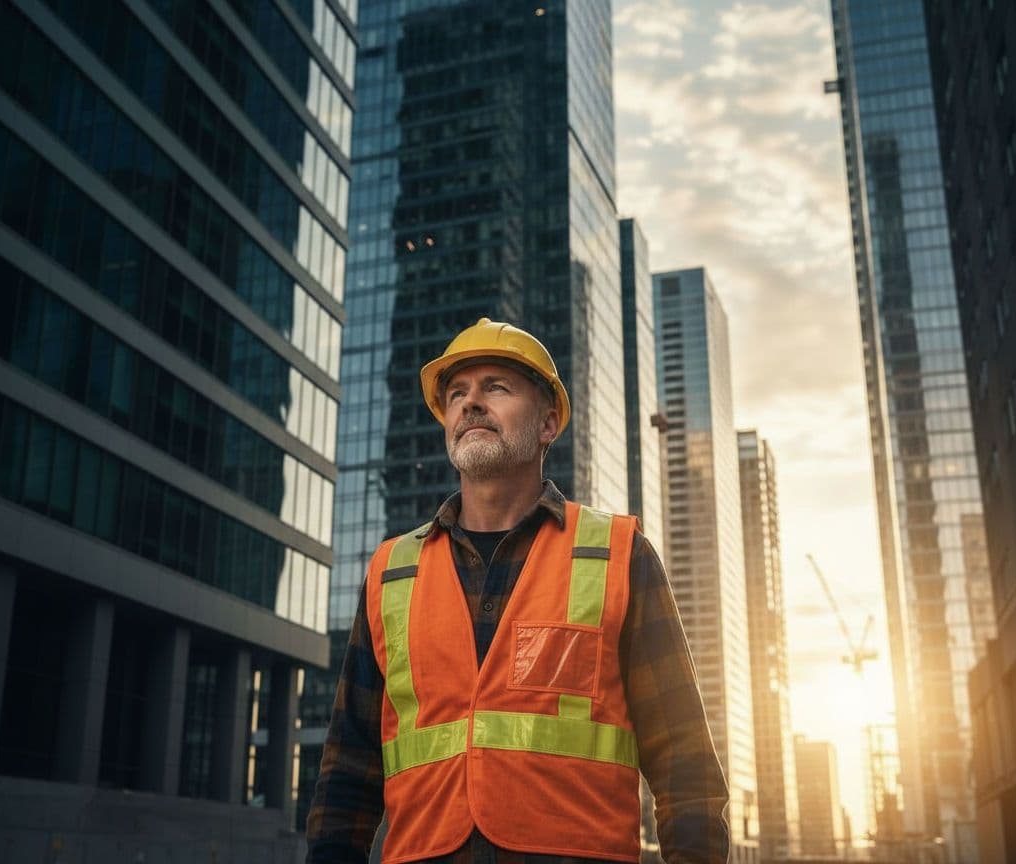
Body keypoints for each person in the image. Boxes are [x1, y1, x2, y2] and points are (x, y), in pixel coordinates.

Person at [306, 318, 729, 863]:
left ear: (548, 423)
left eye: (496, 387)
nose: (470, 403)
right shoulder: (393, 572)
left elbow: (686, 769)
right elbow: (346, 774)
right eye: (457, 393)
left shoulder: (618, 556)